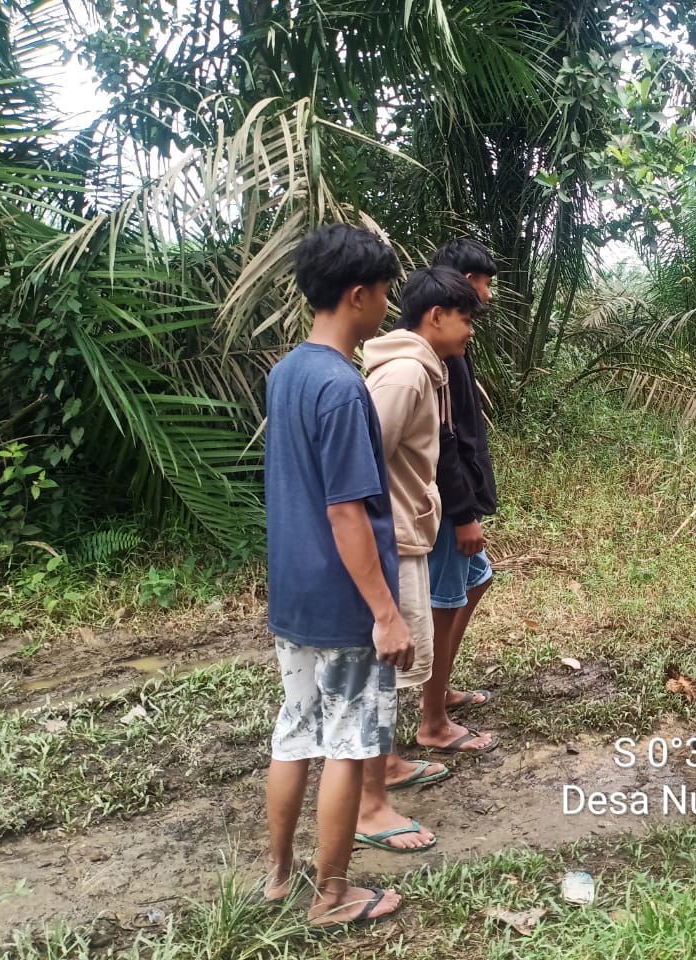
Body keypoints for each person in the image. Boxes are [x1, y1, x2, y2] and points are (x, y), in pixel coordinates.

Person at [262, 223, 414, 928]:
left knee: (295, 733)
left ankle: (276, 876)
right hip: (343, 600)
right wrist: (385, 612)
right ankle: (332, 894)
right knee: (348, 746)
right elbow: (348, 513)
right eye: (384, 293)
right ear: (358, 295)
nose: (387, 305)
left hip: (292, 596)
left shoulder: (286, 372)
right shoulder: (342, 387)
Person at [358, 267, 483, 830]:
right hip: (394, 535)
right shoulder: (408, 375)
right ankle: (377, 771)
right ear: (436, 316)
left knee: (397, 658)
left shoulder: (423, 370)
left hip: (408, 528)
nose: (470, 332)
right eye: (466, 319)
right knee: (386, 659)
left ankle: (385, 760)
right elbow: (361, 460)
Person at [414, 239, 501, 754]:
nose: (487, 296)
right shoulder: (432, 359)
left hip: (461, 498)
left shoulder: (450, 349)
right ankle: (432, 721)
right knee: (443, 603)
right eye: (483, 282)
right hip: (447, 506)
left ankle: (438, 684)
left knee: (477, 579)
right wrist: (464, 512)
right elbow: (441, 445)